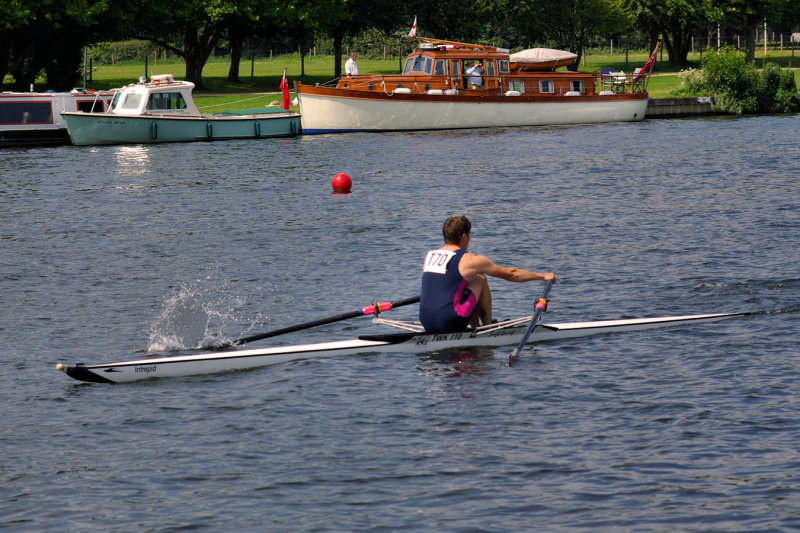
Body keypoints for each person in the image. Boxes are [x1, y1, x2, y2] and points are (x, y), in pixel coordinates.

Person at [419, 216, 555, 333]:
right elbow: (510, 274)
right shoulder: (469, 260)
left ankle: (474, 327)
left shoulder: (429, 256)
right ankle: (487, 327)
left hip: (426, 321)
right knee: (480, 278)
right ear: (464, 236)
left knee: (463, 282)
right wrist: (542, 276)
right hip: (451, 321)